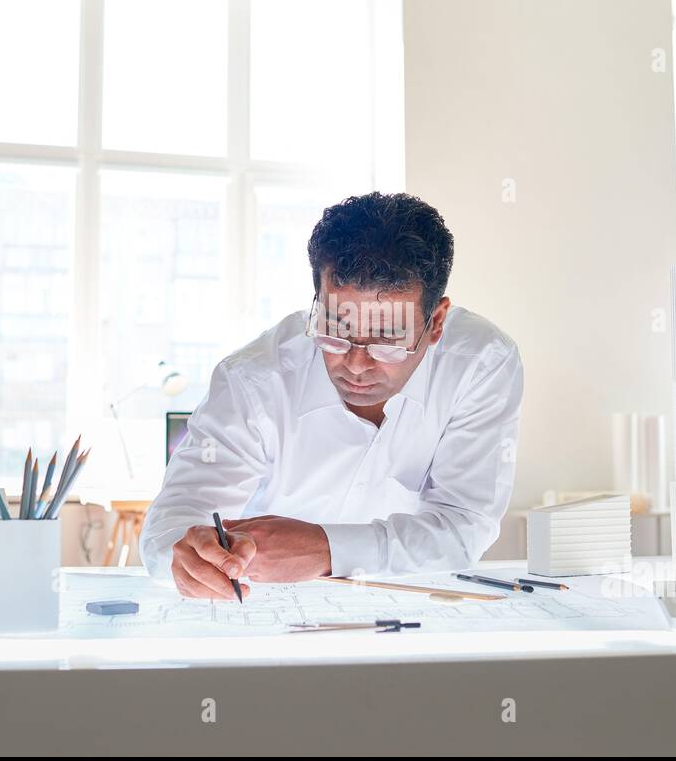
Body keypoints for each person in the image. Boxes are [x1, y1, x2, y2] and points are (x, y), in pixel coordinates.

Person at [141, 191, 524, 599]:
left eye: (388, 340)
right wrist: (188, 554)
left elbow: (463, 528)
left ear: (436, 323)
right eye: (335, 331)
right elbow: (171, 525)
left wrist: (326, 549)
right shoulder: (254, 381)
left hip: (411, 606)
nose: (357, 364)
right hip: (261, 605)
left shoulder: (480, 363)